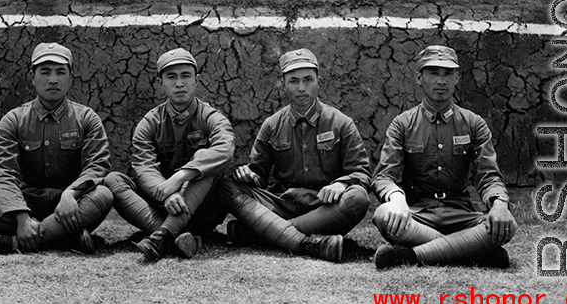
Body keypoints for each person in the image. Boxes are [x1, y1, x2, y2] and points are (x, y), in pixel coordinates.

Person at [371, 45, 518, 269]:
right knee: (383, 214)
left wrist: (499, 203)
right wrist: (397, 200)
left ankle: (408, 256)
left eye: (448, 73)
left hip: (461, 216)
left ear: (457, 78)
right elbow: (383, 177)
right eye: (433, 73)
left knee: (507, 224)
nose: (441, 80)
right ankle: (469, 251)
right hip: (418, 216)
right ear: (419, 78)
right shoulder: (402, 124)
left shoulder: (473, 123)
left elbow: (488, 176)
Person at [221, 48, 372, 263]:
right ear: (283, 84)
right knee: (226, 186)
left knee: (357, 197)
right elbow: (259, 176)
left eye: (308, 80)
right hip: (282, 205)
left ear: (318, 81)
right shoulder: (272, 125)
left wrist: (341, 185)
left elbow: (361, 172)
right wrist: (249, 175)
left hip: (324, 208)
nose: (301, 88)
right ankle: (307, 241)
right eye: (293, 81)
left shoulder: (340, 123)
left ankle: (266, 232)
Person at [0, 42, 113, 256]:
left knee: (104, 195)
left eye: (60, 72)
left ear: (70, 78)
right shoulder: (13, 120)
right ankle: (63, 237)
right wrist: (21, 217)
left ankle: (14, 243)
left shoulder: (87, 118)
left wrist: (71, 193)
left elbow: (98, 165)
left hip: (69, 204)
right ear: (32, 77)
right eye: (45, 72)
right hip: (25, 203)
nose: (53, 79)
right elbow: (2, 172)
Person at [104, 48, 235, 262]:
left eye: (186, 76)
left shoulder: (211, 117)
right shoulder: (150, 122)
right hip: (164, 204)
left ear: (196, 80)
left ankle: (162, 237)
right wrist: (166, 193)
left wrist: (180, 177)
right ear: (160, 82)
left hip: (201, 210)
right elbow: (143, 166)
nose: (179, 83)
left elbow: (225, 148)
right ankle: (174, 236)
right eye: (171, 77)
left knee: (205, 159)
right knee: (112, 180)